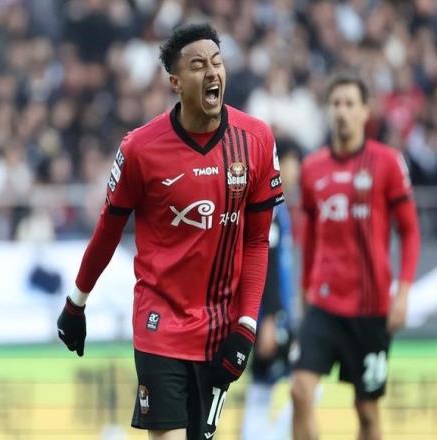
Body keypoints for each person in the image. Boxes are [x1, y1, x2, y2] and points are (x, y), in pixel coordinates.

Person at [56, 23, 284, 440]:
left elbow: (257, 241)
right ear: (176, 82)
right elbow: (107, 231)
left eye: (217, 62)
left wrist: (246, 325)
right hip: (158, 323)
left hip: (219, 330)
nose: (212, 72)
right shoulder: (140, 148)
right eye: (198, 66)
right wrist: (76, 302)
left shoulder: (256, 141)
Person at [290, 73, 420, 440]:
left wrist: (403, 293)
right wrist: (304, 289)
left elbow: (410, 231)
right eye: (335, 103)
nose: (342, 111)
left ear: (365, 112)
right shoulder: (313, 168)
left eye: (350, 104)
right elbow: (310, 235)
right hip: (324, 303)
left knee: (366, 412)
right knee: (300, 391)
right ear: (328, 110)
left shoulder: (387, 162)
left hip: (371, 307)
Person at [241, 141, 301, 440]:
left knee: (271, 387)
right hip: (269, 316)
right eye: (291, 163)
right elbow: (266, 263)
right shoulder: (272, 206)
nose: (295, 170)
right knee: (301, 383)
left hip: (276, 313)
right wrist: (268, 318)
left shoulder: (281, 207)